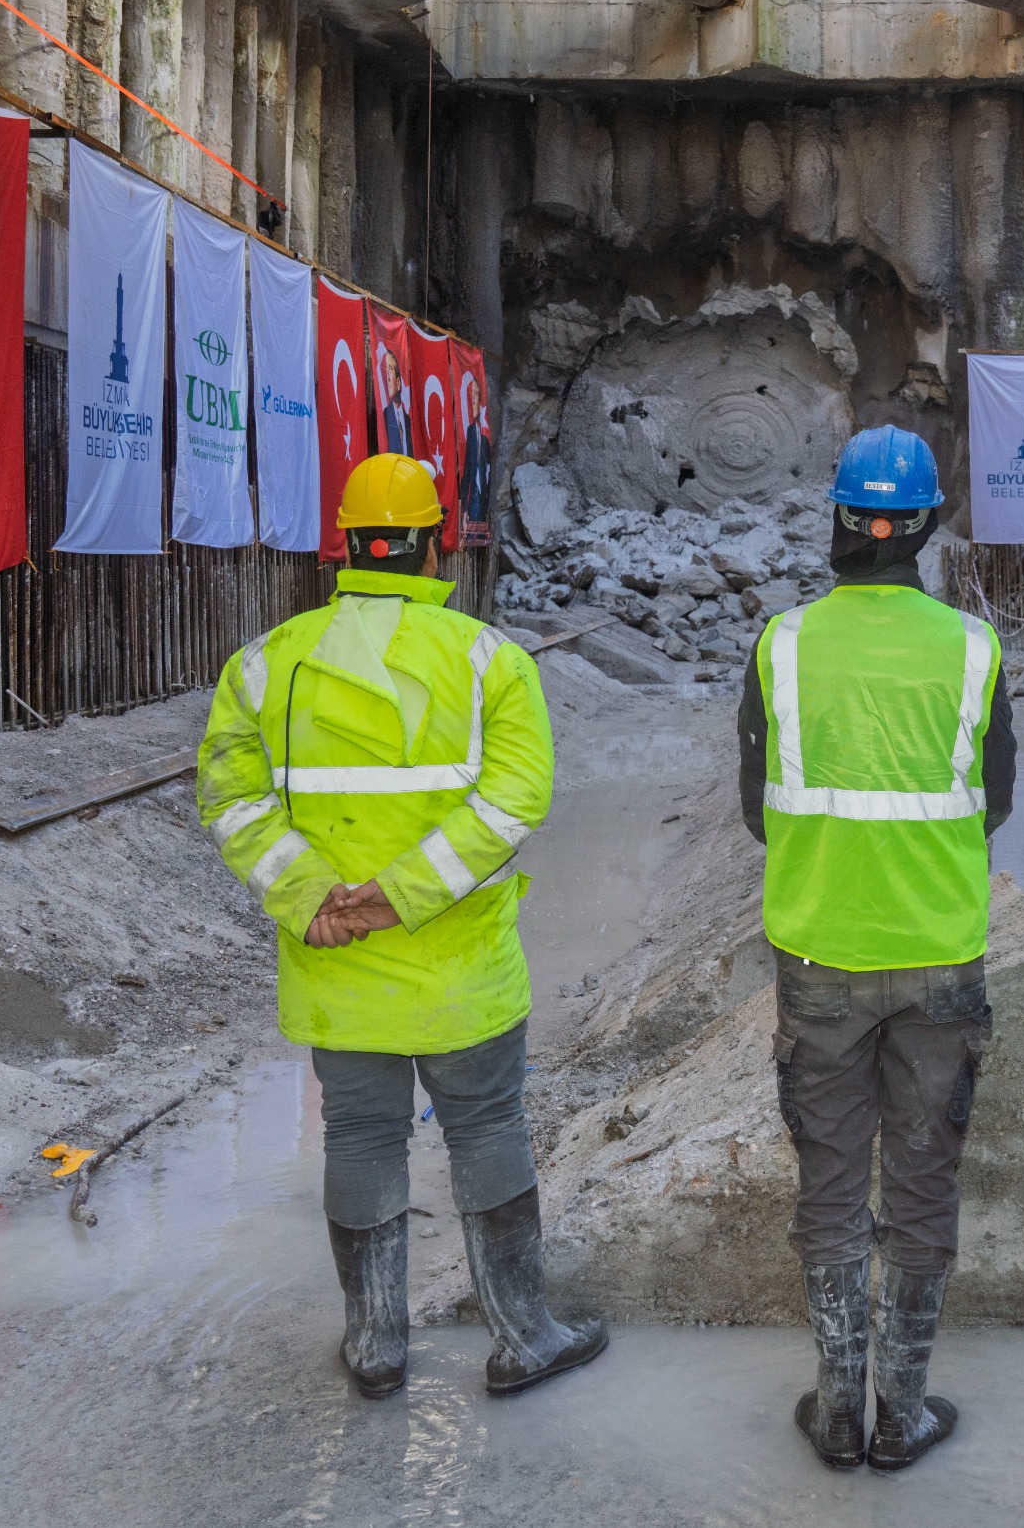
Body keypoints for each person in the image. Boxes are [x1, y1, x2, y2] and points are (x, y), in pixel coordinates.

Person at [196, 453, 605, 1402]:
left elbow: (230, 799)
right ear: (434, 543)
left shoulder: (265, 664)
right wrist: (406, 893)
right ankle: (523, 1335)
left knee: (361, 1137)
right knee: (488, 1128)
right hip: (461, 964)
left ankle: (376, 1344)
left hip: (333, 963)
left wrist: (312, 897)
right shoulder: (487, 659)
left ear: (344, 541)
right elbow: (513, 803)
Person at [737, 424, 1017, 1473]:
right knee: (921, 1181)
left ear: (842, 522)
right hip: (940, 957)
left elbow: (757, 810)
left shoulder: (783, 643)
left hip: (818, 955)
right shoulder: (976, 647)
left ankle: (837, 1406)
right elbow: (991, 803)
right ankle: (901, 1407)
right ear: (925, 526)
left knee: (829, 1181)